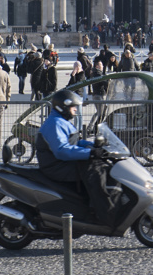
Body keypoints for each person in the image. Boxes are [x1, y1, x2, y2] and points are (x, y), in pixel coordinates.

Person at [36, 89, 120, 225]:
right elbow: (62, 150)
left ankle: (98, 206)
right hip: (56, 166)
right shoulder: (55, 124)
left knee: (100, 165)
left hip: (60, 163)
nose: (75, 110)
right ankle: (103, 213)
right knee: (95, 172)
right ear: (62, 107)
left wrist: (94, 146)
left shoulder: (61, 121)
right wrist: (90, 153)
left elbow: (75, 142)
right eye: (72, 107)